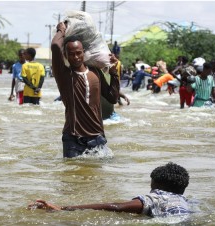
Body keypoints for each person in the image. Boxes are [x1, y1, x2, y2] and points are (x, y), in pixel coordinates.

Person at [51, 22, 119, 158]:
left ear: (84, 53)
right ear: (66, 55)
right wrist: (61, 30)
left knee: (98, 178)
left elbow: (112, 98)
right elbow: (55, 46)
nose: (76, 57)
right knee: (72, 177)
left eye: (78, 53)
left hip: (98, 136)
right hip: (73, 139)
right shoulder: (64, 74)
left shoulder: (96, 73)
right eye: (71, 54)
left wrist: (114, 74)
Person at [28, 162, 191, 218]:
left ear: (155, 185)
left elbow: (115, 207)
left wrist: (62, 208)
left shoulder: (155, 198)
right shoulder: (185, 202)